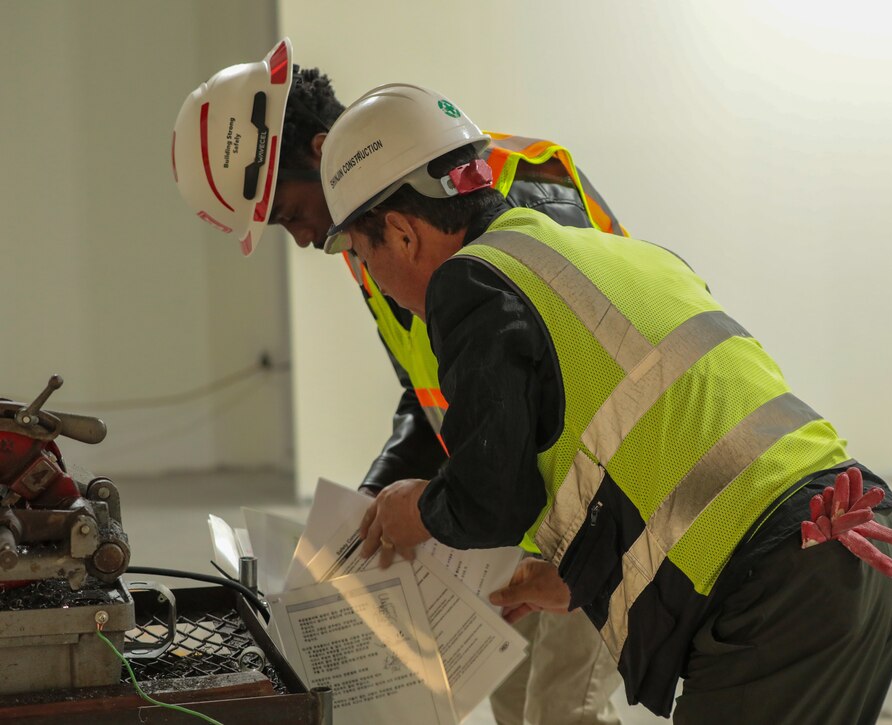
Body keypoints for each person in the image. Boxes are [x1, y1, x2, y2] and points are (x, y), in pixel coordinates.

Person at [322, 82, 892, 724]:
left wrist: (412, 507)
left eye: (363, 256)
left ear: (401, 232)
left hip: (780, 582)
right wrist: (573, 578)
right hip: (864, 539)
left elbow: (487, 500)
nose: (376, 284)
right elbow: (670, 445)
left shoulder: (472, 281)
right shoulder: (614, 253)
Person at [171, 38, 624, 725]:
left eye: (290, 213)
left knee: (563, 710)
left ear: (322, 152)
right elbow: (434, 391)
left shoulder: (494, 187)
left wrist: (446, 505)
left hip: (596, 497)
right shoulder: (370, 244)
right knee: (511, 692)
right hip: (516, 500)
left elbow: (573, 375)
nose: (299, 239)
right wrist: (374, 495)